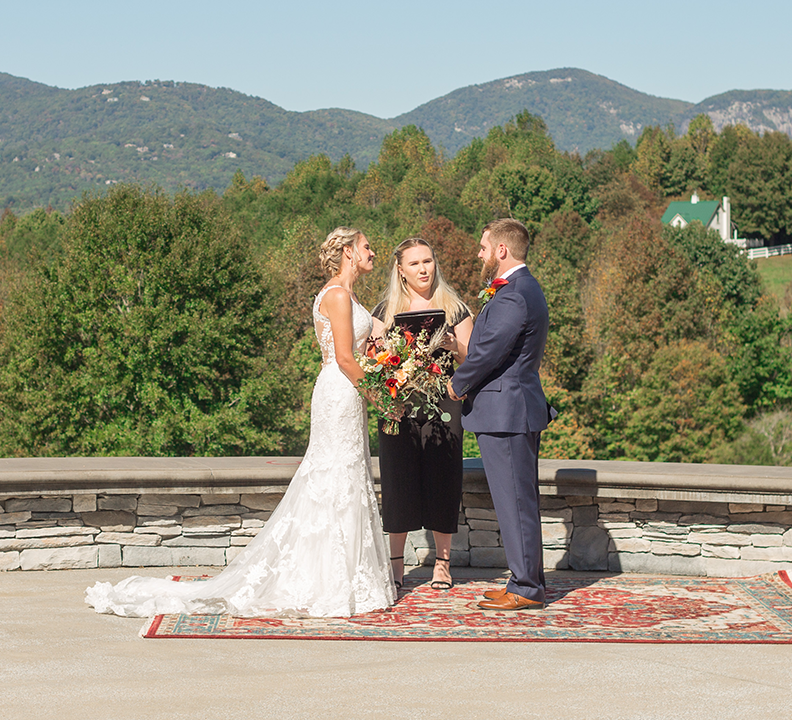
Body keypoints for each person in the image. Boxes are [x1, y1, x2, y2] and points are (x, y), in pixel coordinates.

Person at [85, 228, 394, 619]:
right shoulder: (335, 294)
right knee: (334, 477)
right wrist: (381, 399)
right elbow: (347, 358)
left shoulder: (348, 296)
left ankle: (345, 578)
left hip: (342, 390)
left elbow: (372, 343)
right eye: (366, 247)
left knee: (345, 477)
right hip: (342, 386)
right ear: (348, 252)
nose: (372, 252)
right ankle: (329, 581)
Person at [448, 218, 552, 612]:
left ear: (502, 251)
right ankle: (524, 579)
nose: (479, 253)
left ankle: (526, 587)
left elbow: (488, 350)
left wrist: (457, 384)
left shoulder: (513, 296)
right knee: (517, 499)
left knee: (514, 501)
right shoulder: (523, 289)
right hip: (511, 407)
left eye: (483, 247)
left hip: (506, 410)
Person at [371, 237, 474, 594]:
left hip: (443, 405)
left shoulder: (455, 307)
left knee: (443, 479)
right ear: (400, 270)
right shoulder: (385, 309)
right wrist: (386, 350)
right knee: (397, 481)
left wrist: (453, 346)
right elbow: (371, 357)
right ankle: (396, 563)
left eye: (428, 261)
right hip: (398, 405)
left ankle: (442, 564)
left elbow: (473, 359)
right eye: (414, 264)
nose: (423, 269)